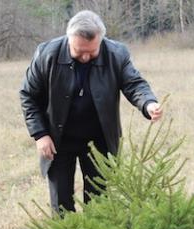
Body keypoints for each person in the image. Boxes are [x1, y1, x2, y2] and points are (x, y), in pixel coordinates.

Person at [20, 10, 163, 214]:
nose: (86, 57)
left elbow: (134, 84)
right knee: (61, 205)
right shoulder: (46, 54)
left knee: (99, 203)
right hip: (58, 140)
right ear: (69, 39)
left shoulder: (116, 54)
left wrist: (148, 103)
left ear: (101, 41)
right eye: (79, 51)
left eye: (92, 51)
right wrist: (40, 134)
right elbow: (28, 95)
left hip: (99, 141)